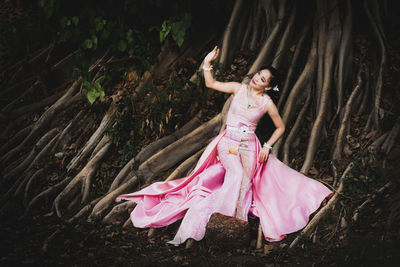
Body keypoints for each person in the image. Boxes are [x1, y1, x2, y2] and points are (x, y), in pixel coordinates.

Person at [116, 46, 332, 246]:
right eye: (258, 74)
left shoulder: (267, 103)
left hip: (250, 146)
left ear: (268, 85)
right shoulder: (238, 88)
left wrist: (267, 146)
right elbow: (211, 83)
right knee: (236, 174)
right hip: (227, 143)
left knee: (246, 184)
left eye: (263, 79)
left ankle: (235, 226)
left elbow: (280, 127)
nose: (257, 78)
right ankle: (217, 219)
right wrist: (207, 62)